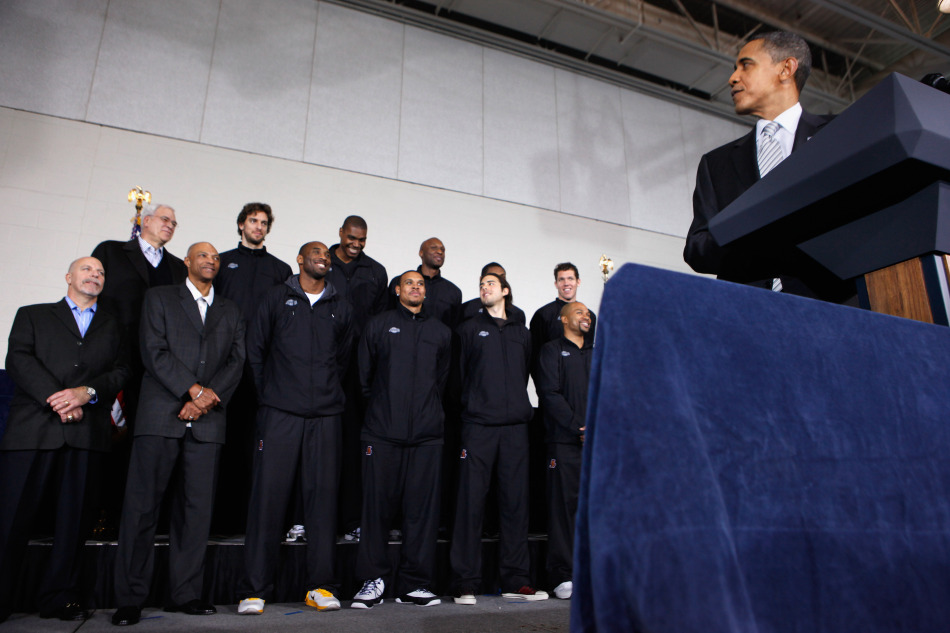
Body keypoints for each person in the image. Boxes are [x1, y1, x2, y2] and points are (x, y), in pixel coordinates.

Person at [111, 243, 245, 626]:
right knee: (141, 511)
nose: (210, 261)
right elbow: (153, 352)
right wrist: (193, 390)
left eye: (216, 258)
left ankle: (184, 594)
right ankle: (130, 599)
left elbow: (237, 362)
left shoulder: (232, 310)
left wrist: (203, 402)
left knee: (196, 514)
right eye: (202, 256)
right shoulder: (159, 298)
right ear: (186, 262)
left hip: (208, 425)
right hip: (160, 417)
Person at [0, 257, 129, 624]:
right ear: (69, 277)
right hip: (32, 432)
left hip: (87, 436)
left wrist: (85, 393)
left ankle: (59, 597)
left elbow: (121, 370)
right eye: (88, 270)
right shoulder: (33, 314)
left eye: (102, 272)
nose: (95, 276)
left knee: (73, 526)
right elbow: (19, 360)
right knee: (10, 522)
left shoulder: (114, 325)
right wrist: (58, 398)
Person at [684, 31, 853, 302]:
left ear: (786, 69)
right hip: (747, 317)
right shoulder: (716, 163)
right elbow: (697, 248)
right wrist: (755, 232)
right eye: (734, 68)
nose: (733, 78)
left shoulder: (840, 134)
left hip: (832, 308)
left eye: (746, 65)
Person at [238, 241, 354, 616]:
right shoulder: (276, 297)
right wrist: (272, 394)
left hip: (325, 415)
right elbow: (255, 351)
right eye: (315, 253)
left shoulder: (342, 306)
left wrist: (325, 393)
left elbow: (344, 359)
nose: (323, 257)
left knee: (322, 502)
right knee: (267, 499)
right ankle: (254, 589)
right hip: (280, 412)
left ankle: (319, 586)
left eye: (326, 254)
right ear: (300, 260)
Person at [350, 271, 451, 608]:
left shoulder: (440, 331)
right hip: (382, 433)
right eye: (409, 283)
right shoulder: (378, 325)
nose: (416, 288)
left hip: (426, 437)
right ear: (397, 290)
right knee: (376, 510)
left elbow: (443, 382)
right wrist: (384, 411)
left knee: (421, 513)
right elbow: (363, 379)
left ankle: (415, 583)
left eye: (420, 284)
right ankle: (373, 580)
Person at [450, 273, 547, 604]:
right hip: (478, 427)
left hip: (515, 430)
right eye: (481, 285)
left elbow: (524, 375)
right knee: (470, 504)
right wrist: (476, 406)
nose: (484, 288)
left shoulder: (523, 334)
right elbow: (458, 378)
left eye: (490, 284)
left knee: (515, 504)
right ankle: (465, 581)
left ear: (505, 291)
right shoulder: (467, 330)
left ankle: (516, 580)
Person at [91, 203, 187, 534]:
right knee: (109, 438)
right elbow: (94, 297)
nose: (170, 225)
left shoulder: (177, 267)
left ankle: (138, 521)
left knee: (144, 445)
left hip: (158, 370)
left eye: (174, 222)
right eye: (164, 219)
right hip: (116, 360)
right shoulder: (111, 252)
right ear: (145, 221)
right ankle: (100, 515)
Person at [212, 203, 292, 535]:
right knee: (221, 439)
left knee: (257, 443)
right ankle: (218, 519)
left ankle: (253, 519)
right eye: (252, 221)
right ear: (241, 224)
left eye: (263, 222)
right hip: (224, 363)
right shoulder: (222, 263)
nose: (258, 226)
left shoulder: (281, 268)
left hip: (264, 367)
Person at [326, 215, 389, 543]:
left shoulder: (377, 272)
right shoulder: (323, 263)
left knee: (355, 447)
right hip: (323, 367)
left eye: (362, 239)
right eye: (351, 237)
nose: (356, 244)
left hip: (360, 371)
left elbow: (378, 328)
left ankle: (353, 519)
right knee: (319, 446)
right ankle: (308, 520)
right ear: (340, 233)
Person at [535, 302, 593, 601]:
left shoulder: (598, 352)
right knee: (563, 511)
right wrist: (577, 428)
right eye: (580, 313)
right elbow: (550, 393)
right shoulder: (552, 350)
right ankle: (563, 574)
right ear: (564, 319)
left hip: (598, 445)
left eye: (588, 313)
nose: (587, 316)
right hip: (564, 443)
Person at [529, 263, 596, 374]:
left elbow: (588, 352)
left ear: (578, 282)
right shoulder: (544, 314)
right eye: (561, 280)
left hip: (582, 381)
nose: (566, 283)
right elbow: (534, 356)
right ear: (556, 284)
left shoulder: (590, 316)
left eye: (570, 278)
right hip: (553, 382)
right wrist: (544, 387)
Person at [388, 238, 461, 330]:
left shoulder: (453, 291)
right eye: (434, 248)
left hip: (438, 343)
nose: (439, 252)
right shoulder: (399, 282)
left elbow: (454, 329)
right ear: (421, 253)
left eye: (443, 249)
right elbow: (387, 317)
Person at [460, 262, 526, 325]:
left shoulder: (517, 314)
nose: (499, 280)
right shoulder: (466, 310)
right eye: (493, 277)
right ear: (481, 279)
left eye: (502, 277)